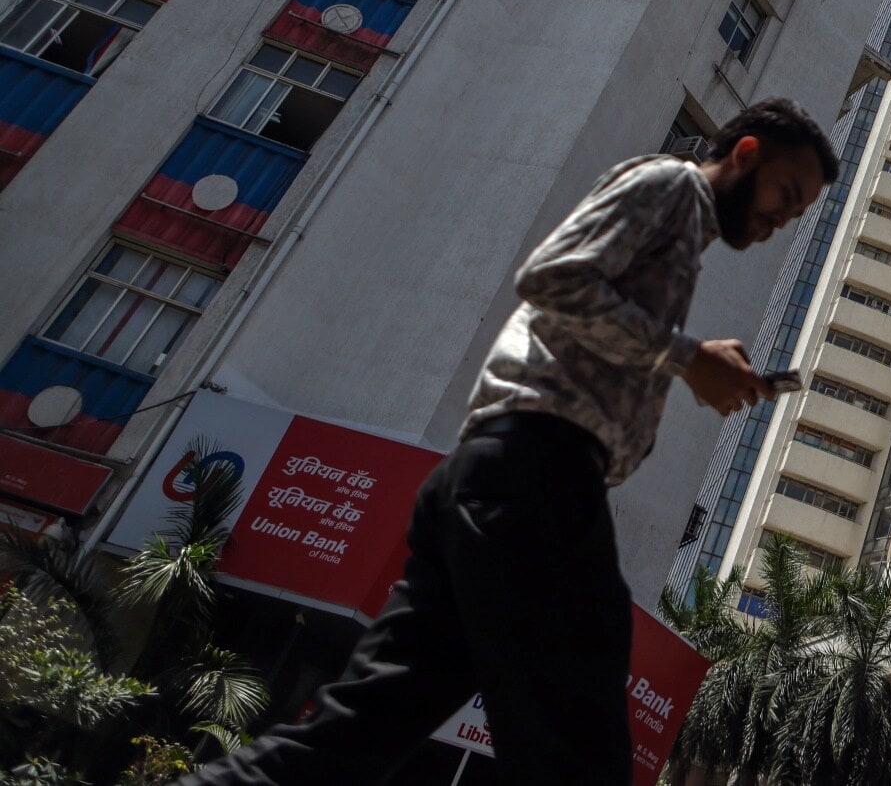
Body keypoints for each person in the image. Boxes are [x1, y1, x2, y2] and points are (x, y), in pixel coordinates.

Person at [185, 98, 841, 786]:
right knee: (582, 740)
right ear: (745, 154)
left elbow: (592, 324)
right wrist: (685, 356)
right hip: (536, 474)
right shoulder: (670, 185)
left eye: (796, 212)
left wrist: (691, 365)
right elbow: (553, 277)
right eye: (784, 194)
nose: (780, 219)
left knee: (360, 733)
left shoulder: (684, 232)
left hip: (498, 476)